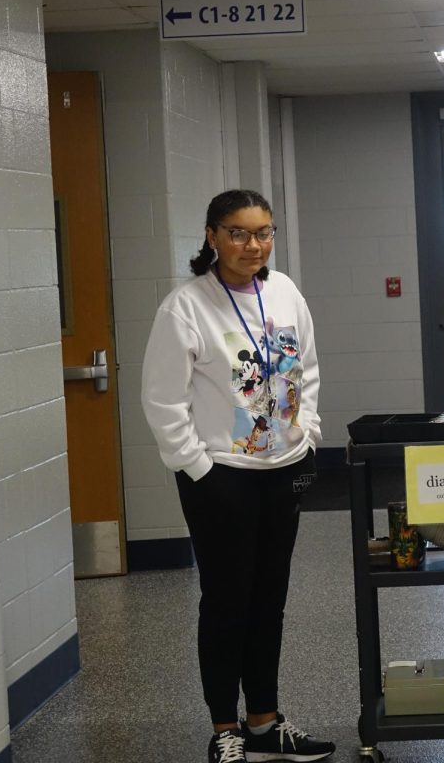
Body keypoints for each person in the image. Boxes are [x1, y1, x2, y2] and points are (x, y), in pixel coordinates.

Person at [141, 189, 335, 763]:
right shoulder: (186, 306)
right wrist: (198, 468)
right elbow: (162, 401)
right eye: (238, 233)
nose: (253, 245)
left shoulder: (285, 292)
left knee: (269, 600)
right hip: (220, 475)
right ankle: (225, 726)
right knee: (227, 601)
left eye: (264, 232)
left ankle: (265, 722)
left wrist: (310, 433)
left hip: (283, 468)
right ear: (212, 236)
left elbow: (308, 367)